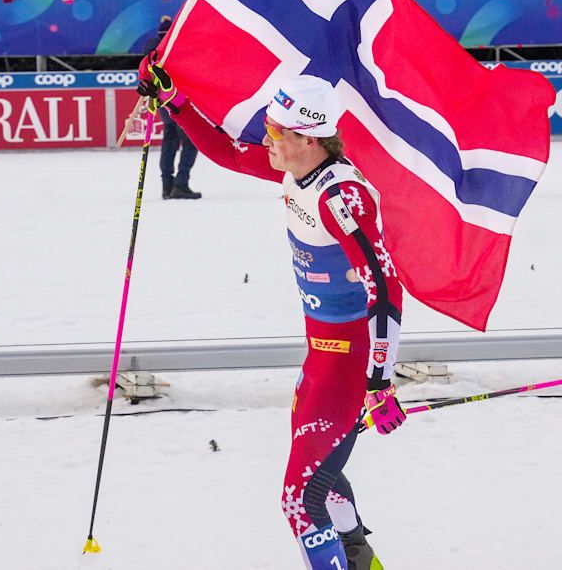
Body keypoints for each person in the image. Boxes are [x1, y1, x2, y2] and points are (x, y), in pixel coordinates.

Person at [138, 63, 400, 570]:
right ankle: (360, 558)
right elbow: (231, 154)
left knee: (300, 499)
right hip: (320, 357)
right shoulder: (297, 170)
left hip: (347, 364)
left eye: (277, 132)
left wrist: (380, 381)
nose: (267, 138)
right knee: (319, 475)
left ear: (309, 138)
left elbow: (385, 288)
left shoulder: (340, 196)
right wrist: (176, 103)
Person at [146, 16, 200, 199]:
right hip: (178, 101)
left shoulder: (151, 48)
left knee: (169, 141)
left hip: (161, 102)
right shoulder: (175, 47)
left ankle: (166, 186)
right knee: (190, 143)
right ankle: (181, 183)